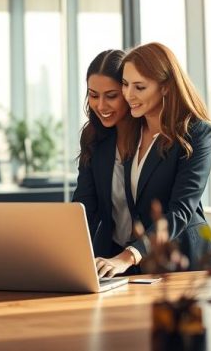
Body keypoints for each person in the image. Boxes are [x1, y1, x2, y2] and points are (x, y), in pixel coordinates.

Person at [93, 42, 211, 278]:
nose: (128, 95)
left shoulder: (196, 133)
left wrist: (128, 255)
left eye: (139, 87)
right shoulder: (131, 130)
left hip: (188, 262)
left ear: (165, 88)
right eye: (125, 84)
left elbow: (181, 210)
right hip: (147, 269)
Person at [71, 50, 141, 268]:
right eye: (93, 95)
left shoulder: (149, 137)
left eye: (111, 96)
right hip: (113, 256)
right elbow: (85, 204)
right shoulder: (93, 137)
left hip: (162, 257)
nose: (101, 106)